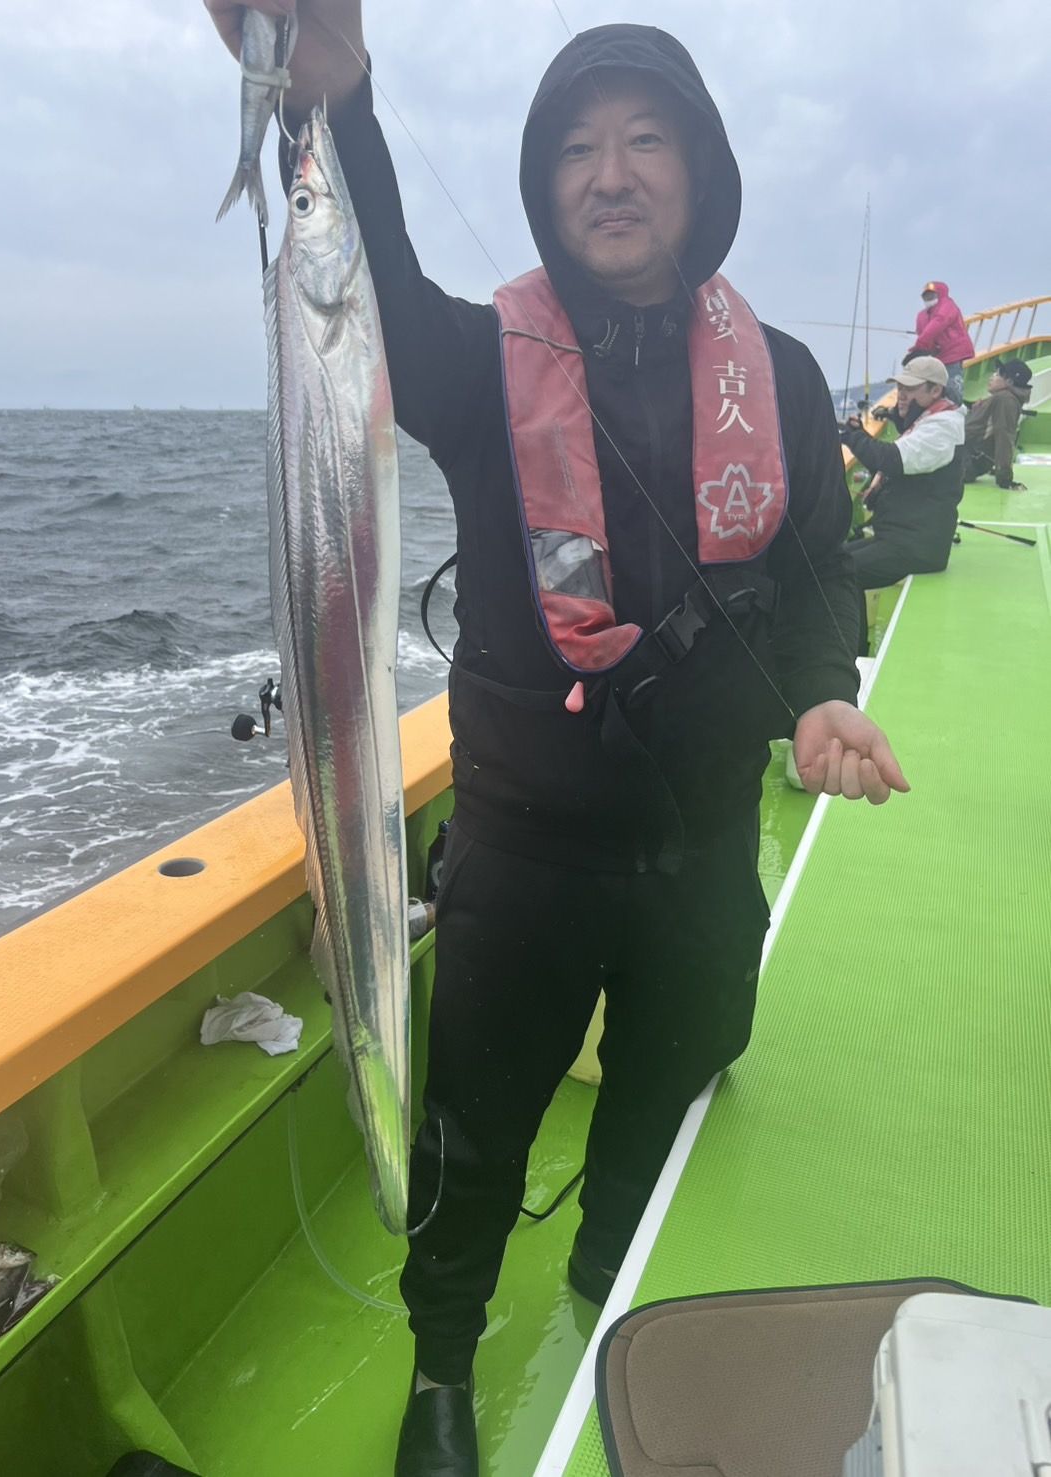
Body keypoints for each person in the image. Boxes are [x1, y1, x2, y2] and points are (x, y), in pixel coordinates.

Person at [206, 6, 909, 1472]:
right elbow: (367, 288)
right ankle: (441, 1364)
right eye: (578, 148)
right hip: (525, 855)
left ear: (700, 172)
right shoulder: (474, 361)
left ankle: (611, 1260)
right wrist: (335, 105)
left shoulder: (778, 376)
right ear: (545, 185)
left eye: (645, 140)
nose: (611, 172)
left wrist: (819, 695)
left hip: (703, 844)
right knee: (472, 1133)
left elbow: (810, 573)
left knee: (678, 1069)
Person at [841, 356, 965, 650]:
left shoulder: (942, 428)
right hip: (904, 536)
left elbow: (892, 460)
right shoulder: (933, 418)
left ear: (935, 390)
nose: (902, 395)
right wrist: (876, 427)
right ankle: (850, 648)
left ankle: (854, 653)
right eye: (900, 388)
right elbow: (906, 448)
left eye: (910, 389)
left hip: (918, 546)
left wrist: (854, 438)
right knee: (834, 558)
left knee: (841, 573)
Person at [963, 360, 1032, 490]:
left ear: (1009, 382)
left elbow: (1004, 437)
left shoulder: (1005, 400)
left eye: (998, 374)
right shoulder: (1003, 398)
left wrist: (1004, 477)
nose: (992, 377)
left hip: (966, 462)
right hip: (967, 458)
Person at [905, 281, 974, 405]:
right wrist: (917, 350)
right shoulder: (922, 316)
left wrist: (920, 344)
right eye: (925, 296)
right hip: (937, 357)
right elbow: (924, 335)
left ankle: (955, 408)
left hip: (953, 354)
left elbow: (939, 322)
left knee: (952, 386)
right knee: (934, 387)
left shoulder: (948, 306)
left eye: (932, 295)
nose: (928, 298)